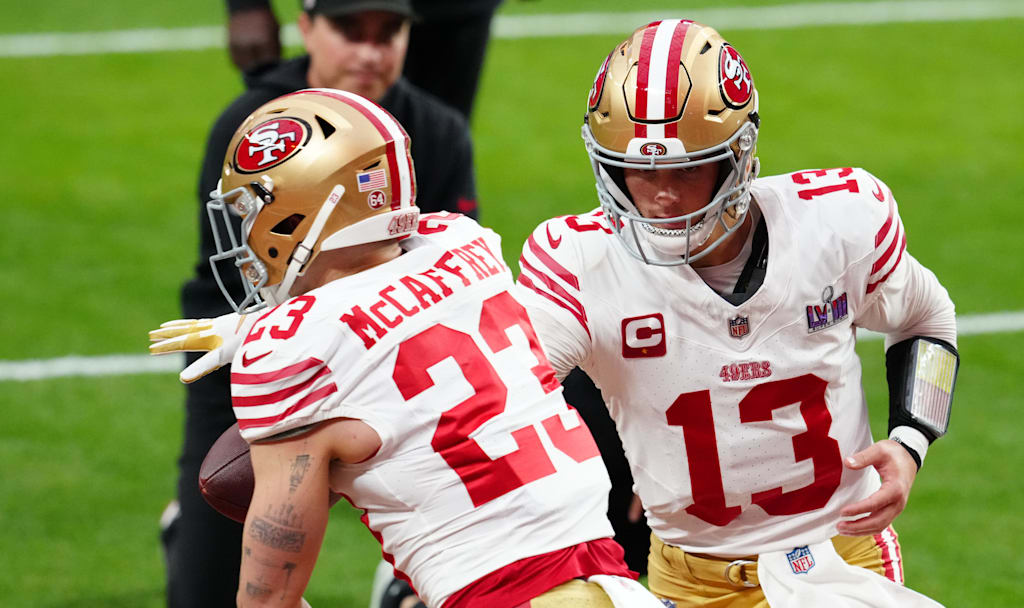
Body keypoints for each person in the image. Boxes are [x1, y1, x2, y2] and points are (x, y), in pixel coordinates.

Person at [156, 88, 663, 608]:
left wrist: (264, 334)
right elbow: (388, 306)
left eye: (250, 209)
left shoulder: (287, 352)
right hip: (613, 583)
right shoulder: (463, 246)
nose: (244, 232)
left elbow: (268, 600)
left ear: (303, 212)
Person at [513, 19, 958, 606]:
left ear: (740, 157)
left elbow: (928, 319)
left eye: (686, 168)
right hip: (689, 578)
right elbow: (505, 400)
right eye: (639, 170)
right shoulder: (577, 261)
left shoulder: (837, 225)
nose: (662, 196)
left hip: (839, 556)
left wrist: (909, 440)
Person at [163, 1, 478, 606]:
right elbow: (231, 279)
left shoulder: (437, 133)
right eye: (348, 30)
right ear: (305, 27)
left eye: (388, 32)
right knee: (206, 589)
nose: (368, 51)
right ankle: (189, 522)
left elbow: (445, 291)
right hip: (249, 355)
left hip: (394, 368)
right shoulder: (250, 128)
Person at [223, 0, 504, 121]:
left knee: (435, 139)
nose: (369, 54)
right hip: (341, 7)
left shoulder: (444, 131)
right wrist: (246, 4)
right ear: (306, 29)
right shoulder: (239, 123)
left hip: (454, 12)